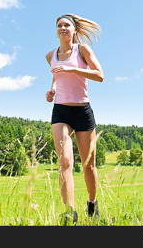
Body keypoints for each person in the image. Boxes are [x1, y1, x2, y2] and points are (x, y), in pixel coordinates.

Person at [45, 14, 104, 224]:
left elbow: (100, 75)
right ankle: (70, 212)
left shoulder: (82, 50)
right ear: (56, 30)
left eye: (66, 25)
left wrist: (73, 68)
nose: (62, 28)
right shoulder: (50, 55)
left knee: (89, 165)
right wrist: (52, 89)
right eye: (59, 25)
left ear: (74, 30)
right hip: (60, 111)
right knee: (65, 162)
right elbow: (56, 74)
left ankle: (92, 203)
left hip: (82, 110)